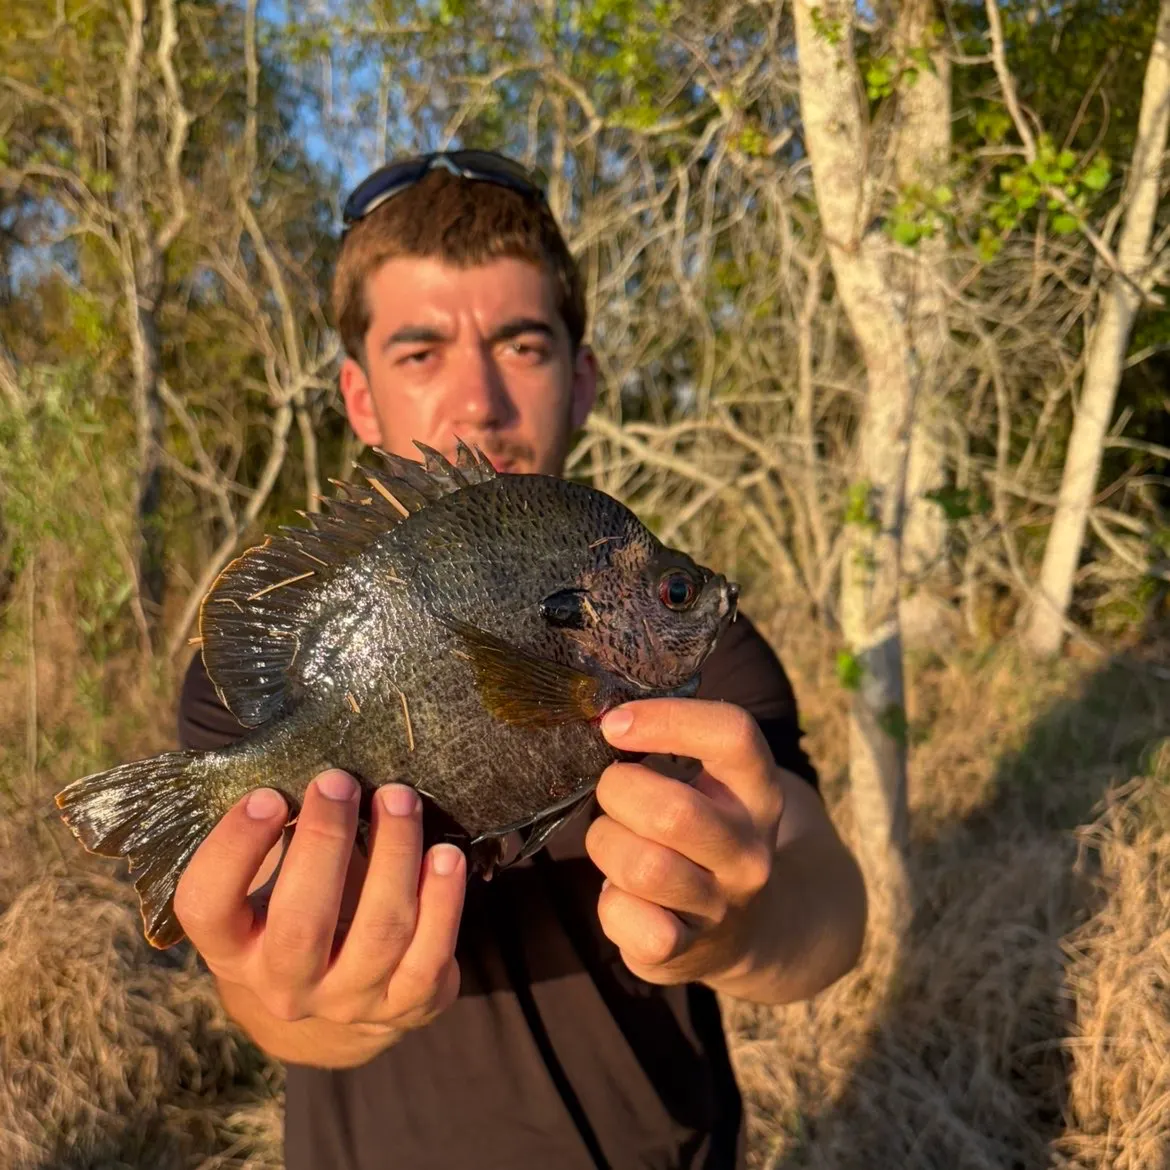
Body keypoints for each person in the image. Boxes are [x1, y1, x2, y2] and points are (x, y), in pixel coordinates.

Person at [174, 150, 867, 1170]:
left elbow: (829, 913)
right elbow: (267, 1002)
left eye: (522, 344)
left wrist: (741, 924)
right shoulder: (283, 656)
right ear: (358, 400)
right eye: (420, 353)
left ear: (581, 380)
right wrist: (294, 994)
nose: (477, 400)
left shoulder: (685, 653)